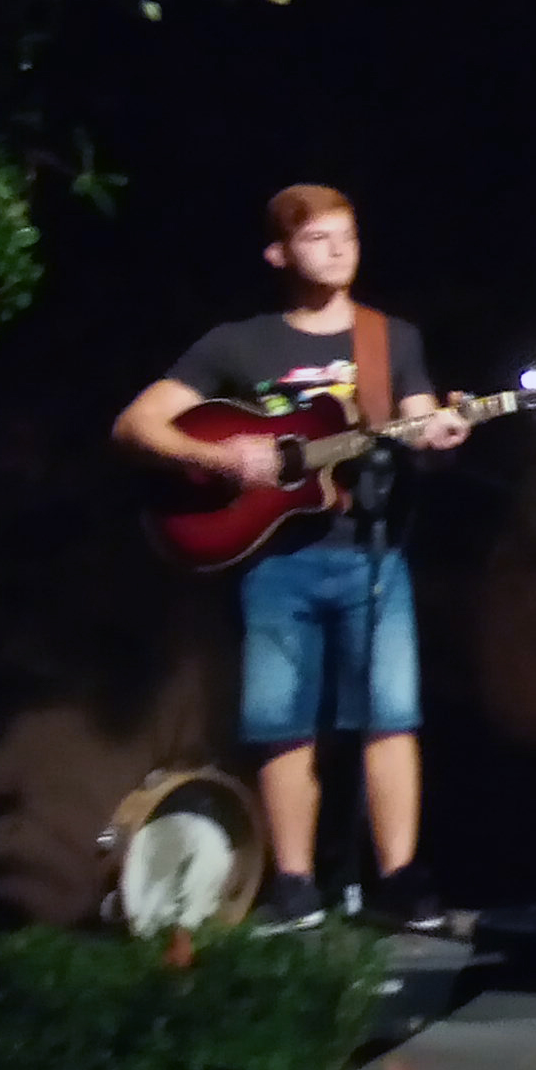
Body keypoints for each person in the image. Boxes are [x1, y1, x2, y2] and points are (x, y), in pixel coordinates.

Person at [113, 185, 470, 932]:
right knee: (282, 723)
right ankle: (295, 885)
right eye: (318, 239)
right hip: (275, 561)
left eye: (349, 235)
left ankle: (400, 877)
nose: (339, 249)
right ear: (279, 254)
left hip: (372, 550)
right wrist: (219, 456)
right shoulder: (239, 345)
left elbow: (415, 419)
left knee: (391, 716)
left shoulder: (389, 340)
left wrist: (441, 429)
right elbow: (136, 424)